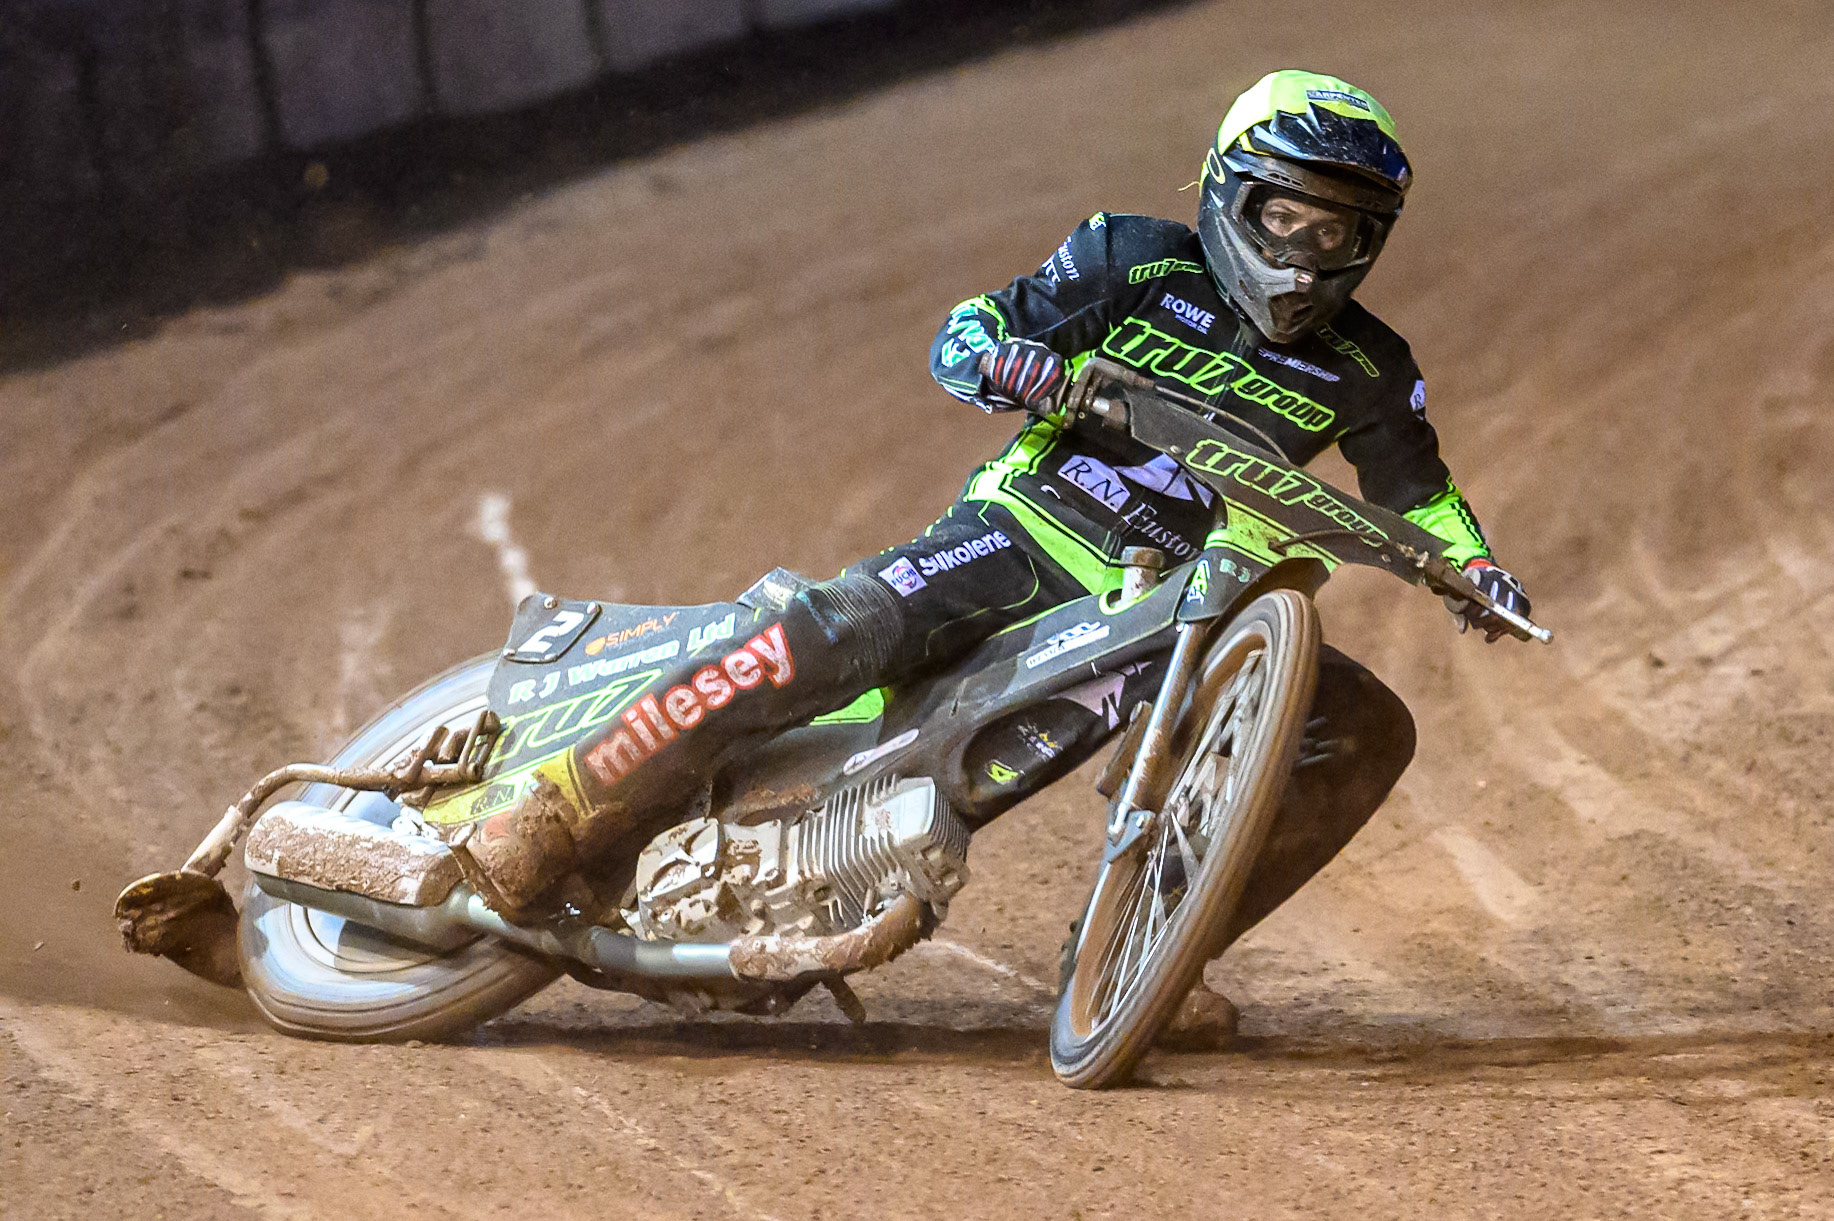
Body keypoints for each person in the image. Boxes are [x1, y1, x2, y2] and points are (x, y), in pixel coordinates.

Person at [463, 72, 1531, 1024]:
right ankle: (556, 803)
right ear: (1225, 193)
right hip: (1025, 534)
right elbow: (967, 333)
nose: (1303, 252)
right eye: (1284, 215)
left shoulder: (1370, 367)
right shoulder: (1131, 258)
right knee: (836, 629)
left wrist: (1475, 571)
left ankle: (1147, 949)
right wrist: (1023, 370)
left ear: (1371, 242)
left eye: (1336, 233)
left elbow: (1417, 497)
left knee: (1367, 728)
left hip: (1178, 606)